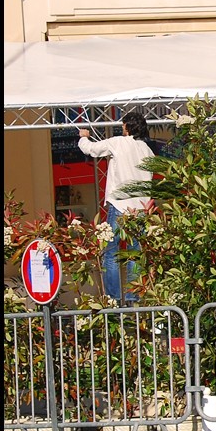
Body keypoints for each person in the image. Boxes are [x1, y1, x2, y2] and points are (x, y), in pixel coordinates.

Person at [78, 111, 155, 303]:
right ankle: (132, 298)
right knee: (134, 254)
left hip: (120, 205)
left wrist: (83, 138)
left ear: (127, 127)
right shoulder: (147, 150)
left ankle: (113, 299)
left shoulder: (119, 142)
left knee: (111, 253)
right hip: (140, 209)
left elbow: (92, 150)